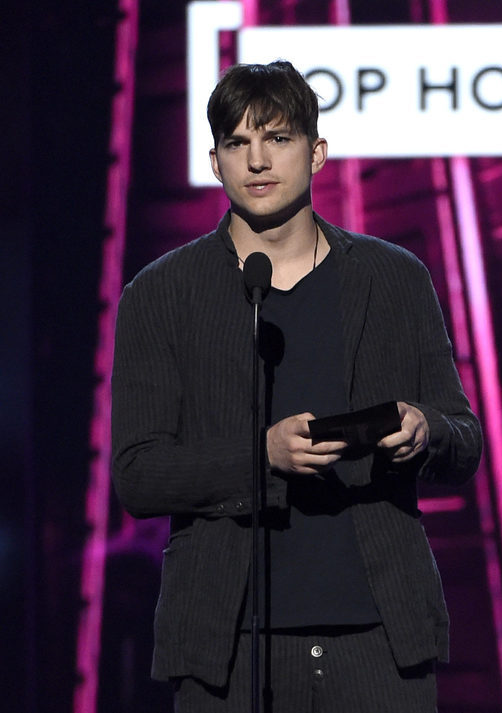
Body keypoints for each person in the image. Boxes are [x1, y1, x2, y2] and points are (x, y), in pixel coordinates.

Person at [111, 60, 482, 712]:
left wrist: (425, 429)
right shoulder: (161, 294)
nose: (256, 160)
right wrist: (263, 457)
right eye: (236, 143)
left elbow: (464, 438)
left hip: (379, 640)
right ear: (215, 161)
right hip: (228, 646)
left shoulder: (394, 279)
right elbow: (139, 474)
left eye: (277, 138)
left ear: (317, 154)